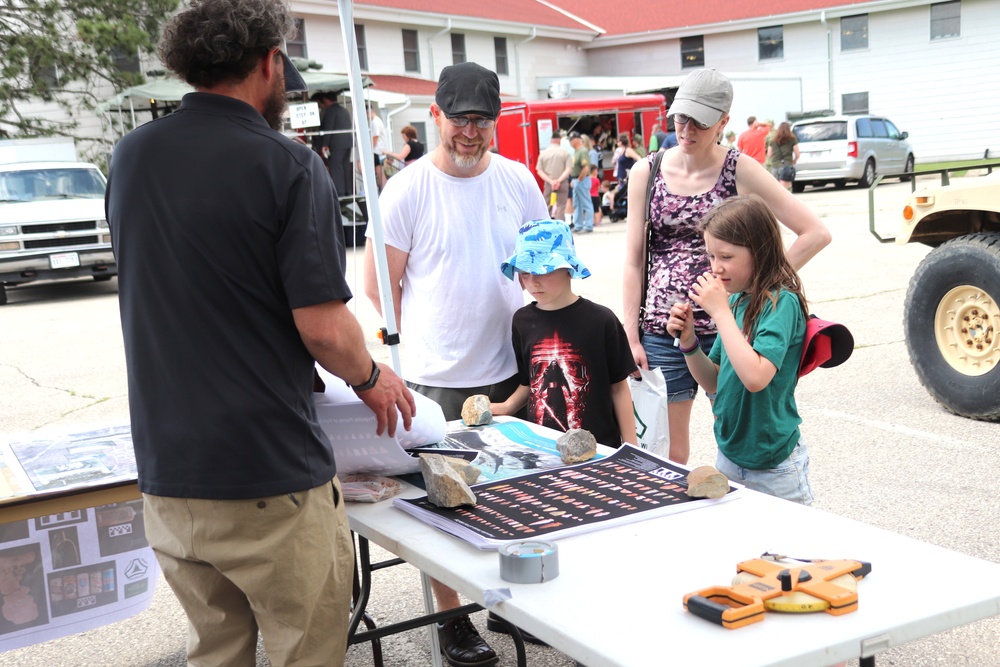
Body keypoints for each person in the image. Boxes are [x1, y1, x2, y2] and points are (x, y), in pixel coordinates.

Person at [104, 1, 416, 665]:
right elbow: (326, 329)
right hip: (266, 477)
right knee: (306, 652)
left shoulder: (130, 155)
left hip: (168, 474)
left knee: (217, 652)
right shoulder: (287, 165)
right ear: (270, 63)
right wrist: (372, 376)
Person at [363, 61, 549, 667]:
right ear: (436, 115)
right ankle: (453, 619)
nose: (471, 133)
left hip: (510, 366)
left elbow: (545, 267)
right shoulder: (407, 189)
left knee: (517, 488)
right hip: (434, 377)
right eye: (461, 119)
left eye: (484, 121)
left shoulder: (519, 182)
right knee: (445, 506)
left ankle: (506, 602)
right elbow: (377, 287)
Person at [622, 68, 830, 465]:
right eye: (680, 116)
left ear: (723, 121)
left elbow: (814, 232)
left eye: (700, 120)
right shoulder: (646, 171)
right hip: (668, 332)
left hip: (734, 331)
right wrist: (630, 334)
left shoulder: (740, 169)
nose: (686, 129)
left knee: (743, 447)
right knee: (666, 452)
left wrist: (761, 286)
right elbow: (633, 260)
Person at [667, 194, 813, 504]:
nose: (716, 269)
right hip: (730, 455)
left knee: (786, 549)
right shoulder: (736, 300)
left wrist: (719, 313)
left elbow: (756, 377)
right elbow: (713, 381)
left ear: (759, 250)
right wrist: (689, 341)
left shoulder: (780, 302)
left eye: (726, 256)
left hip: (775, 467)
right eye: (710, 257)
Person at [492, 219, 638, 448]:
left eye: (543, 270)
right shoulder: (521, 321)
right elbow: (528, 382)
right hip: (541, 446)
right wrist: (507, 406)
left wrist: (631, 447)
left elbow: (619, 387)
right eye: (524, 273)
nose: (533, 282)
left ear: (569, 269)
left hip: (599, 447)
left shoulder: (602, 321)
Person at [312, 91, 353, 197]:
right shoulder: (344, 110)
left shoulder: (331, 111)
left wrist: (324, 144)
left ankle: (339, 192)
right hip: (347, 142)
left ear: (326, 100)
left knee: (336, 167)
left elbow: (328, 128)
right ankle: (348, 190)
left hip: (336, 144)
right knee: (345, 166)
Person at [535, 132, 573, 221]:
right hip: (562, 183)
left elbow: (539, 171)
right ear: (559, 140)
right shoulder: (565, 153)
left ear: (551, 141)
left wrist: (551, 181)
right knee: (561, 206)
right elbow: (569, 169)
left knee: (547, 205)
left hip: (549, 184)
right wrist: (558, 181)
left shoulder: (543, 153)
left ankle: (546, 224)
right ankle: (560, 226)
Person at [568, 131, 594, 233]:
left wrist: (578, 180)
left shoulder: (582, 151)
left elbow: (586, 167)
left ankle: (588, 226)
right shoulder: (576, 151)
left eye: (571, 140)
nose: (570, 142)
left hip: (582, 180)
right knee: (577, 204)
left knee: (586, 203)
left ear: (577, 140)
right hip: (576, 180)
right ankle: (578, 225)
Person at [767, 121, 800, 190]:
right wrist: (795, 160)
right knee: (786, 190)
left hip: (775, 166)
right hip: (787, 166)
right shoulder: (792, 139)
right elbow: (797, 154)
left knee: (776, 189)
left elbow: (769, 155)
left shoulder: (773, 141)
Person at [369, 107, 390, 190]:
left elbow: (375, 137)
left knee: (379, 172)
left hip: (377, 150)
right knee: (380, 172)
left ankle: (384, 189)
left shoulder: (375, 122)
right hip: (380, 150)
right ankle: (384, 189)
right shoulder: (377, 121)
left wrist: (370, 148)